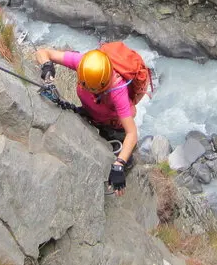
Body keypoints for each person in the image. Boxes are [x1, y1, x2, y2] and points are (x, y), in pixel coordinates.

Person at [33, 46, 138, 195]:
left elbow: (132, 133)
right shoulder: (83, 63)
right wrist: (46, 65)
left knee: (122, 152)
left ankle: (127, 164)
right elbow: (43, 52)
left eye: (92, 89)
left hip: (114, 126)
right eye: (84, 85)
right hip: (91, 114)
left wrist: (119, 164)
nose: (88, 90)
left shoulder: (118, 90)